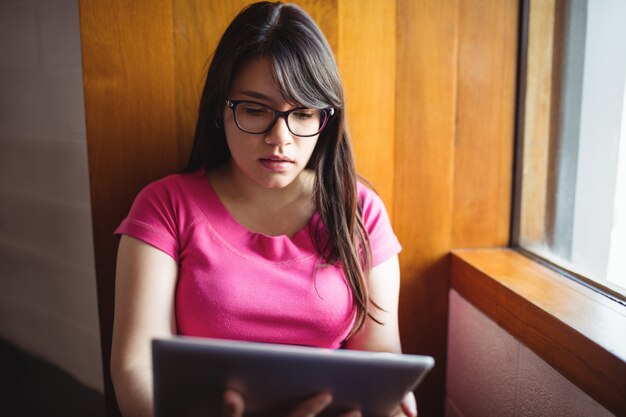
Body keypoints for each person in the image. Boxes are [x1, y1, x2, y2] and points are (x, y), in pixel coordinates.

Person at [110, 2, 416, 417]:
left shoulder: (359, 211)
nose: (280, 138)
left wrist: (391, 403)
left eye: (303, 114)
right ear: (221, 108)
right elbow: (135, 366)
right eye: (255, 110)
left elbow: (380, 358)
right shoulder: (166, 206)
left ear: (326, 119)